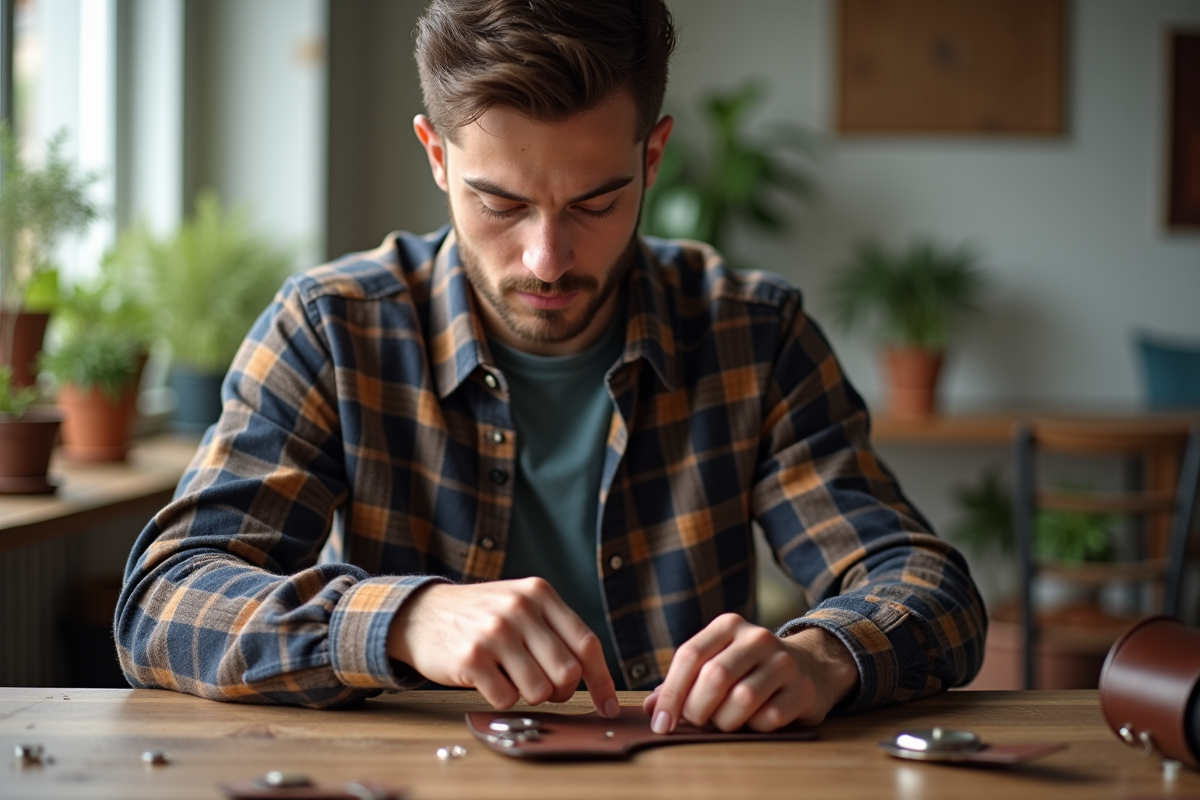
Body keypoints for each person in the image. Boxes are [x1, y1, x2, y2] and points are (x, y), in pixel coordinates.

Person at [115, 0, 986, 735]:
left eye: (596, 200)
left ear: (652, 158)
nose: (546, 258)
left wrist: (823, 654)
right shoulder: (332, 328)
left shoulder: (750, 333)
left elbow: (927, 587)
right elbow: (164, 602)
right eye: (500, 202)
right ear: (436, 156)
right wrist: (404, 618)